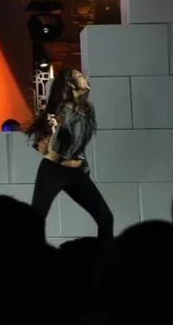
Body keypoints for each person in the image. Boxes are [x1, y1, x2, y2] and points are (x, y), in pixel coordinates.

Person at [26, 67, 114, 241]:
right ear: (70, 84)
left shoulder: (88, 110)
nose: (85, 78)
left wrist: (84, 165)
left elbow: (79, 143)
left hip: (75, 171)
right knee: (36, 221)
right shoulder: (61, 112)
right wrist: (56, 130)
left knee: (105, 217)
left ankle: (105, 264)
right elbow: (51, 145)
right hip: (53, 170)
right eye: (80, 76)